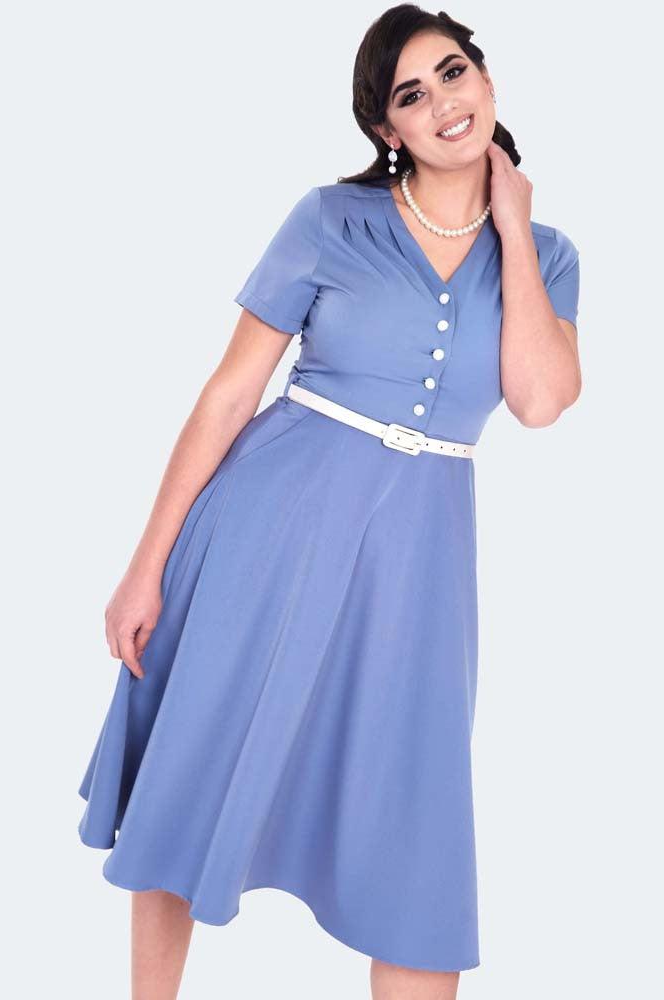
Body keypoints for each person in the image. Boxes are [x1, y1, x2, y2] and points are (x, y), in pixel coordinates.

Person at [77, 6, 582, 999]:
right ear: (386, 128)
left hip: (420, 567)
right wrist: (145, 567)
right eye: (410, 95)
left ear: (486, 80)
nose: (442, 103)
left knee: (415, 820)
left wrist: (513, 225)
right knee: (197, 764)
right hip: (267, 533)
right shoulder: (329, 221)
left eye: (453, 72)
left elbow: (539, 400)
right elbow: (229, 395)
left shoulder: (547, 254)